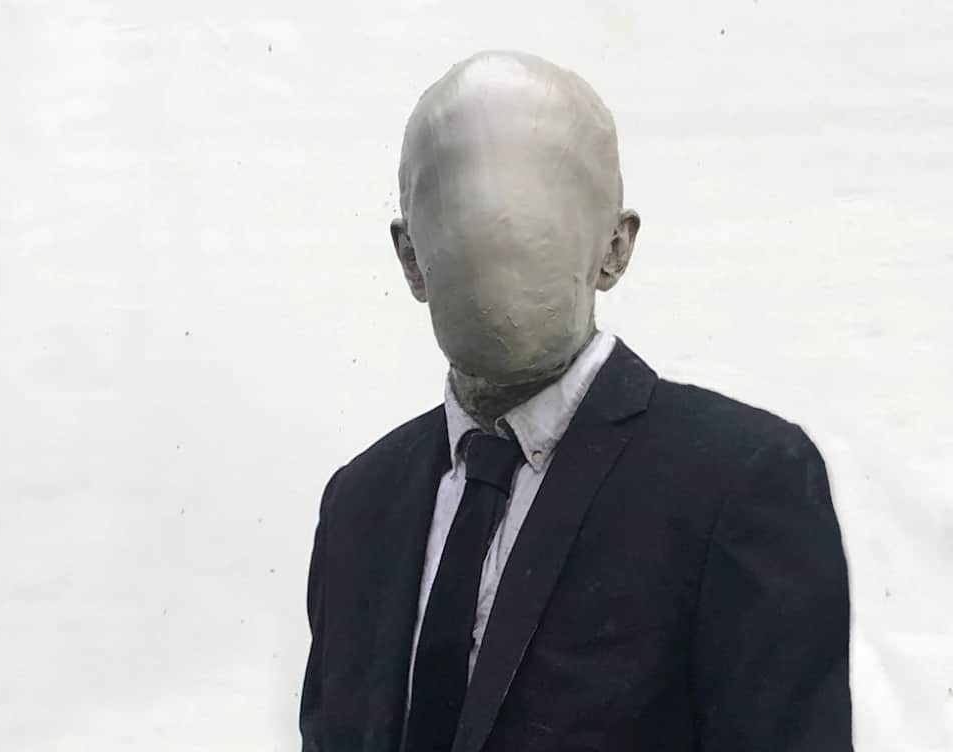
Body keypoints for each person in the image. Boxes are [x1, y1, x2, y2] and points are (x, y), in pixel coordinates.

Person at [300, 49, 852, 752]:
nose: (499, 230)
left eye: (541, 199)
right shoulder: (359, 504)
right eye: (462, 201)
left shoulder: (741, 481)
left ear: (615, 246)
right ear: (410, 258)